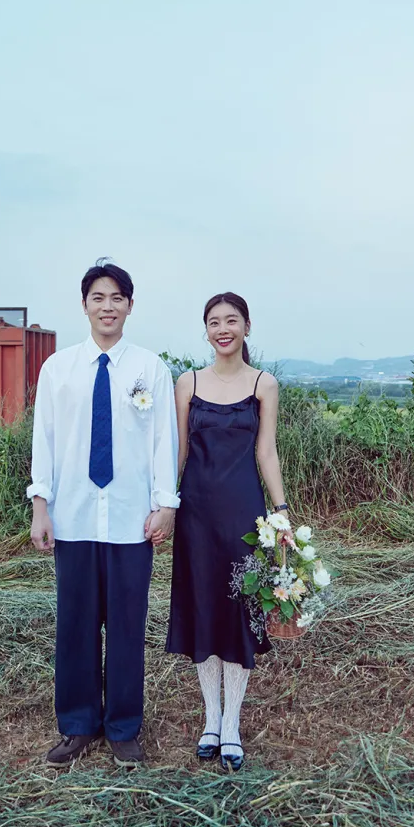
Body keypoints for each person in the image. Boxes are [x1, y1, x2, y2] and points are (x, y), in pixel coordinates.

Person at [29, 259, 179, 766]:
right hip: (72, 518)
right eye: (98, 297)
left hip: (131, 521)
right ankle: (77, 725)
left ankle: (123, 727)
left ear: (130, 306)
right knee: (75, 625)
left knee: (127, 628)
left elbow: (163, 442)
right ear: (84, 305)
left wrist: (166, 505)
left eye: (117, 298)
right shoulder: (58, 370)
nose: (107, 306)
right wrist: (41, 506)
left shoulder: (150, 369)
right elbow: (45, 441)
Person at [165, 292, 294, 771]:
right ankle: (211, 719)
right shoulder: (188, 382)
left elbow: (267, 453)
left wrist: (281, 513)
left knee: (240, 611)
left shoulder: (264, 384)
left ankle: (233, 724)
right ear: (206, 330)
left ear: (246, 326)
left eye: (231, 320)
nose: (223, 329)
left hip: (244, 515)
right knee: (204, 609)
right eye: (214, 322)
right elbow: (178, 451)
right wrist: (165, 504)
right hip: (196, 514)